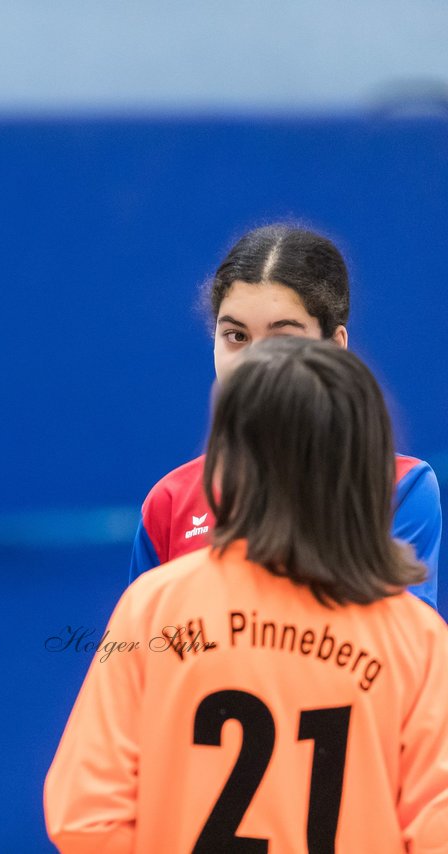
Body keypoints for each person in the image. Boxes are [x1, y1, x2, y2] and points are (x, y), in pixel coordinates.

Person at [46, 337, 448, 852]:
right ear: (368, 465)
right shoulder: (414, 636)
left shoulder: (155, 607)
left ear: (227, 461)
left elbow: (85, 815)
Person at [128, 224, 441, 611]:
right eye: (236, 337)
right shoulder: (169, 505)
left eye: (283, 337)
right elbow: (146, 656)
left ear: (335, 347)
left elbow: (400, 658)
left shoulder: (400, 489)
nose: (255, 362)